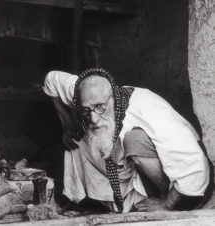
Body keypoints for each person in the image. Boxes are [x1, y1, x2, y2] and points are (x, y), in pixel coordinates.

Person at [43, 68, 212, 213]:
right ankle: (109, 198)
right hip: (135, 172)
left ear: (113, 97)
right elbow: (51, 80)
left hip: (187, 185)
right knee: (79, 135)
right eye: (86, 109)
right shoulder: (83, 91)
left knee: (135, 140)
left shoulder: (147, 108)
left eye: (100, 107)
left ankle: (160, 199)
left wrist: (167, 205)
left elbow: (194, 165)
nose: (93, 117)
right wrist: (66, 123)